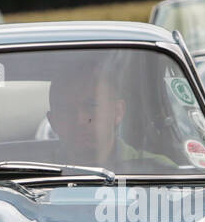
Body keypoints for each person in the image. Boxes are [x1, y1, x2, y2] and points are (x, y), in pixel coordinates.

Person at [46, 63, 176, 170]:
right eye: (66, 110)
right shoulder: (36, 172)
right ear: (52, 122)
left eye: (92, 106)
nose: (80, 120)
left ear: (117, 112)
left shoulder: (158, 170)